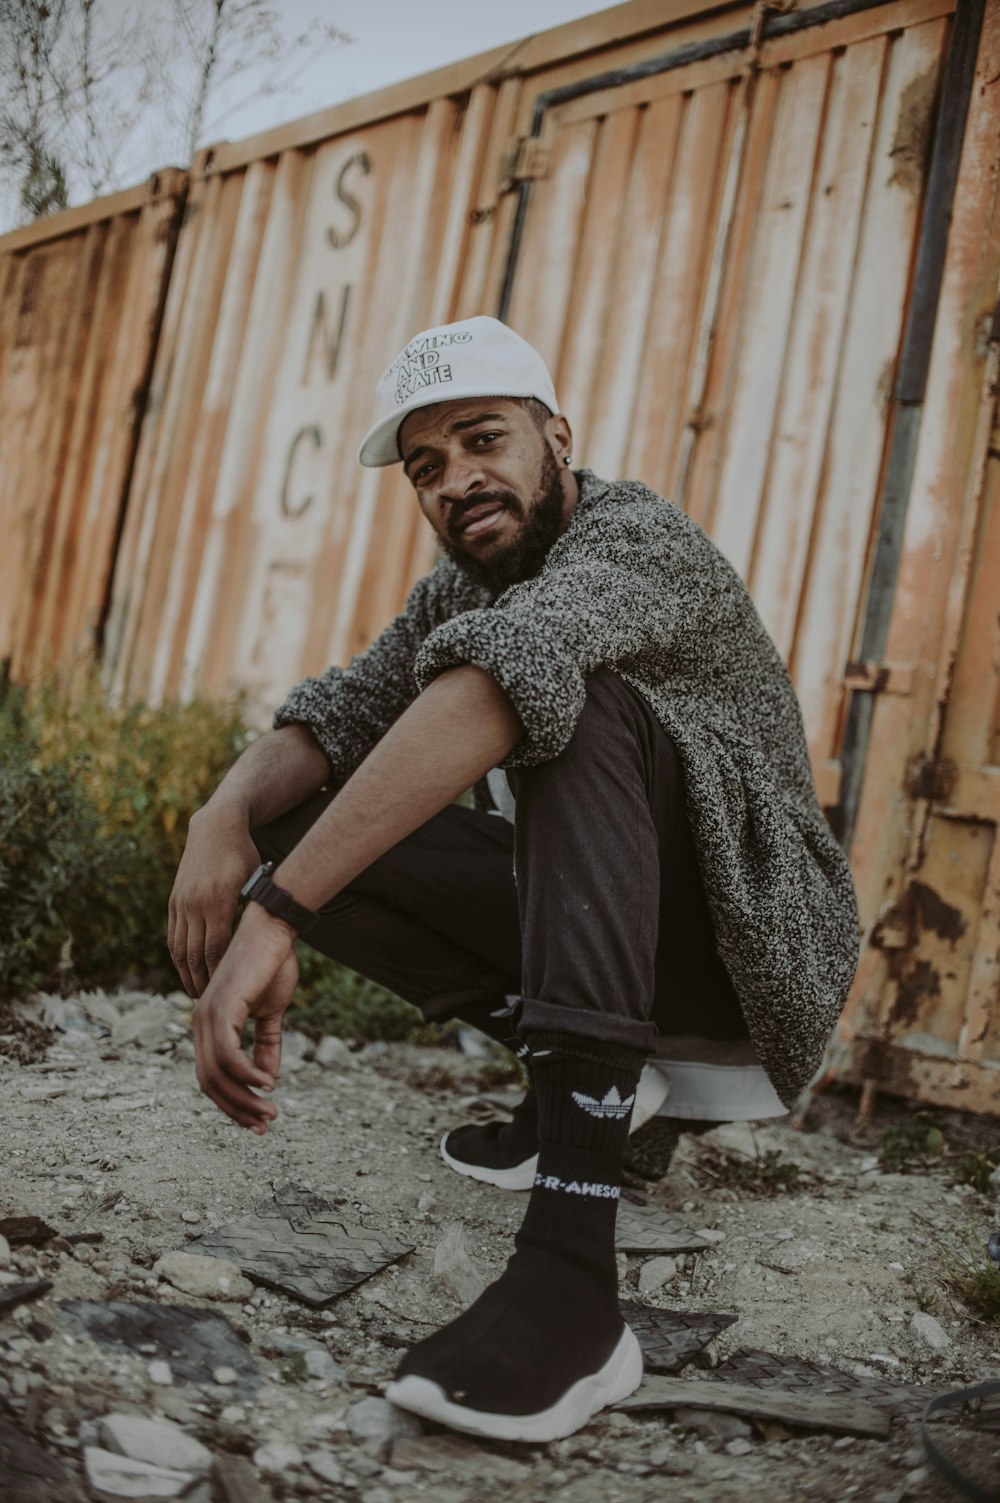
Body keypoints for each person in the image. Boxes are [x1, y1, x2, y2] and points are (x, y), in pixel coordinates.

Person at [170, 315, 860, 1443]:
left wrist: (275, 912)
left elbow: (512, 672)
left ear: (557, 438)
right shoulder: (456, 591)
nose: (458, 482)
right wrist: (223, 818)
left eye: (484, 440)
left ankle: (571, 1279)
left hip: (750, 954)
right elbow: (337, 715)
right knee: (300, 806)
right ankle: (579, 1091)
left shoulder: (639, 541)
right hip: (609, 927)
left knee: (568, 705)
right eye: (427, 467)